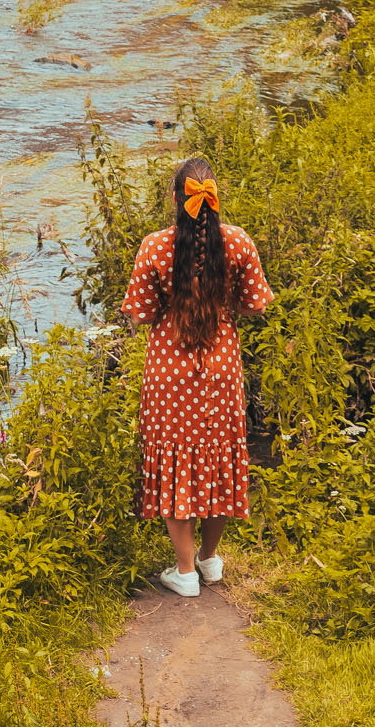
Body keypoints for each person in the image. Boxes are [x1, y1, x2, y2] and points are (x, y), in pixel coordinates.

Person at [121, 155, 274, 597]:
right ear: (214, 199)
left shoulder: (154, 246)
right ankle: (209, 560)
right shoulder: (238, 242)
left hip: (169, 372)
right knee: (218, 458)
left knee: (174, 462)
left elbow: (143, 313)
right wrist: (224, 305)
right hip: (222, 367)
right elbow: (257, 305)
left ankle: (184, 571)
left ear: (175, 198)